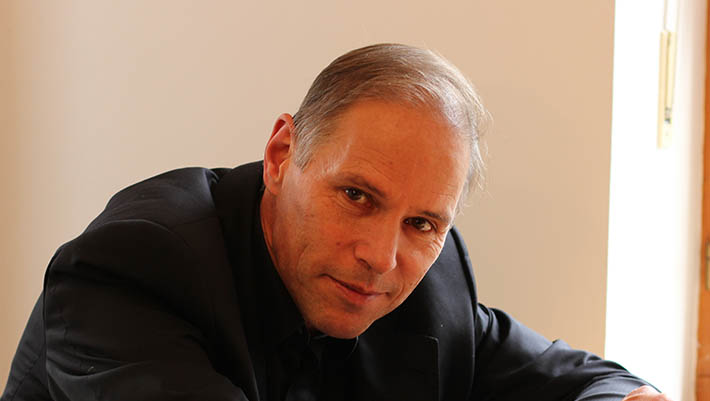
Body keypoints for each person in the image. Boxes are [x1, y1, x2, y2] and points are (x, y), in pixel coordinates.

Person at [1, 44, 671, 401]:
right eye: (356, 195)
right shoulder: (135, 267)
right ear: (281, 155)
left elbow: (572, 377)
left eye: (423, 223)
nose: (382, 256)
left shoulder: (431, 284)